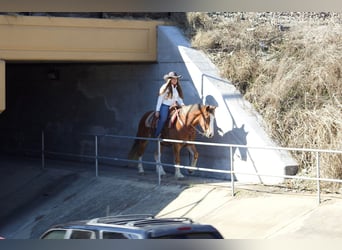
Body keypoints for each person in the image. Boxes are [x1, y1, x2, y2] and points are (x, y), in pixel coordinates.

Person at [154, 71, 185, 137]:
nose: (175, 80)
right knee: (163, 119)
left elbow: (179, 98)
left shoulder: (177, 88)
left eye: (176, 79)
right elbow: (160, 99)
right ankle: (156, 134)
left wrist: (182, 104)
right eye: (173, 78)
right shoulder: (165, 87)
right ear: (170, 79)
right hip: (165, 106)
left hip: (174, 106)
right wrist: (157, 110)